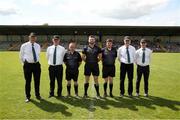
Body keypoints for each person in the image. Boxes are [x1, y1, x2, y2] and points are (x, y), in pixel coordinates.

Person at [20, 32, 41, 103]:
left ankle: (37, 95)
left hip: (36, 65)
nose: (33, 38)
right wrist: (23, 64)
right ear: (29, 37)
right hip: (27, 65)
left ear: (36, 38)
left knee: (37, 81)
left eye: (34, 37)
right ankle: (28, 96)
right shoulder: (24, 45)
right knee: (28, 81)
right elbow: (21, 55)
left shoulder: (38, 45)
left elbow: (38, 54)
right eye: (32, 37)